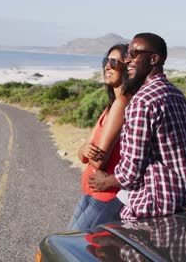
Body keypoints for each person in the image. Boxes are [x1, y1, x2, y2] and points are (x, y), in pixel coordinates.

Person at [89, 33, 186, 220]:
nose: (127, 60)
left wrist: (106, 181)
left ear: (154, 59)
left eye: (134, 54)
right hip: (183, 200)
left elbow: (130, 173)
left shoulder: (142, 101)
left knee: (90, 242)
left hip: (152, 204)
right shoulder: (179, 97)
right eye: (128, 53)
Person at [68, 43, 131, 231]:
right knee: (70, 244)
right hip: (91, 193)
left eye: (114, 62)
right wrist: (83, 150)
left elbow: (97, 161)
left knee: (72, 250)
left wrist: (87, 152)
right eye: (106, 61)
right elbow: (82, 154)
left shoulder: (123, 103)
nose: (107, 66)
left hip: (106, 195)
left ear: (128, 68)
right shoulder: (110, 107)